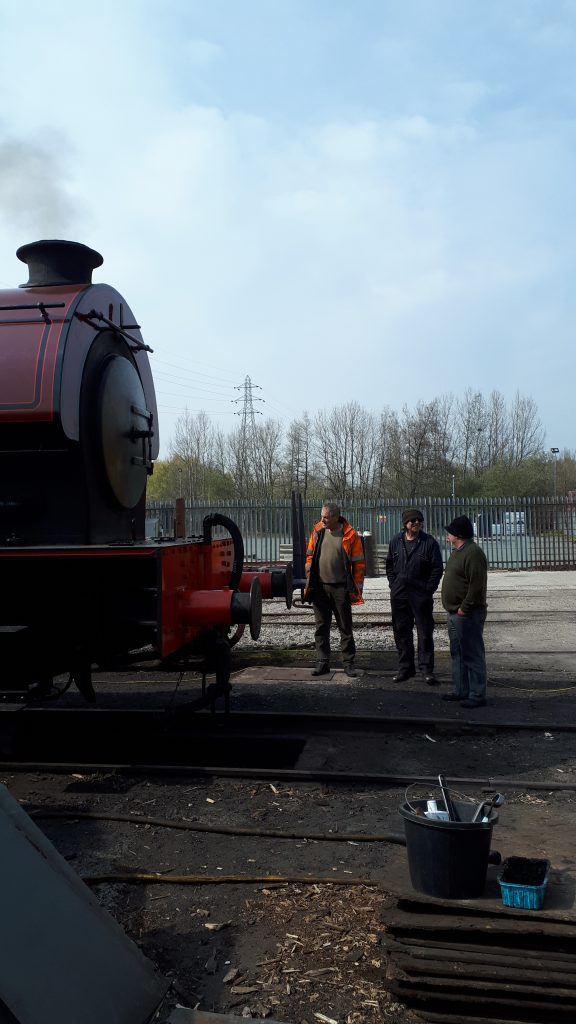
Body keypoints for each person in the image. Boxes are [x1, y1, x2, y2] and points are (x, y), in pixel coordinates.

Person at [304, 501, 365, 677]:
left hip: (340, 589)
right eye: (321, 516)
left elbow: (359, 564)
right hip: (320, 587)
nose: (322, 520)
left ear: (335, 517)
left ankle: (348, 663)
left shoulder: (350, 535)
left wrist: (355, 589)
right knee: (321, 627)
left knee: (345, 627)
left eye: (325, 517)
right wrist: (309, 572)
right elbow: (309, 554)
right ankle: (323, 662)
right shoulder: (318, 530)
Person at [386, 508, 443, 685]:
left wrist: (428, 589)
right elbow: (389, 565)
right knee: (401, 632)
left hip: (421, 595)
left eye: (419, 520)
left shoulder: (429, 542)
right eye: (413, 521)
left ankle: (427, 670)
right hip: (400, 595)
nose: (417, 523)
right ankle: (405, 669)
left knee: (424, 633)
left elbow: (437, 569)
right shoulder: (396, 541)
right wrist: (393, 584)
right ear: (405, 524)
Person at [441, 515, 488, 709]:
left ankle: (477, 695)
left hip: (466, 614)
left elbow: (476, 585)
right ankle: (461, 690)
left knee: (472, 654)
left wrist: (463, 608)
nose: (447, 534)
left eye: (449, 531)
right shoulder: (458, 551)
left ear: (458, 534)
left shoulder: (473, 553)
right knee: (458, 653)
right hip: (455, 613)